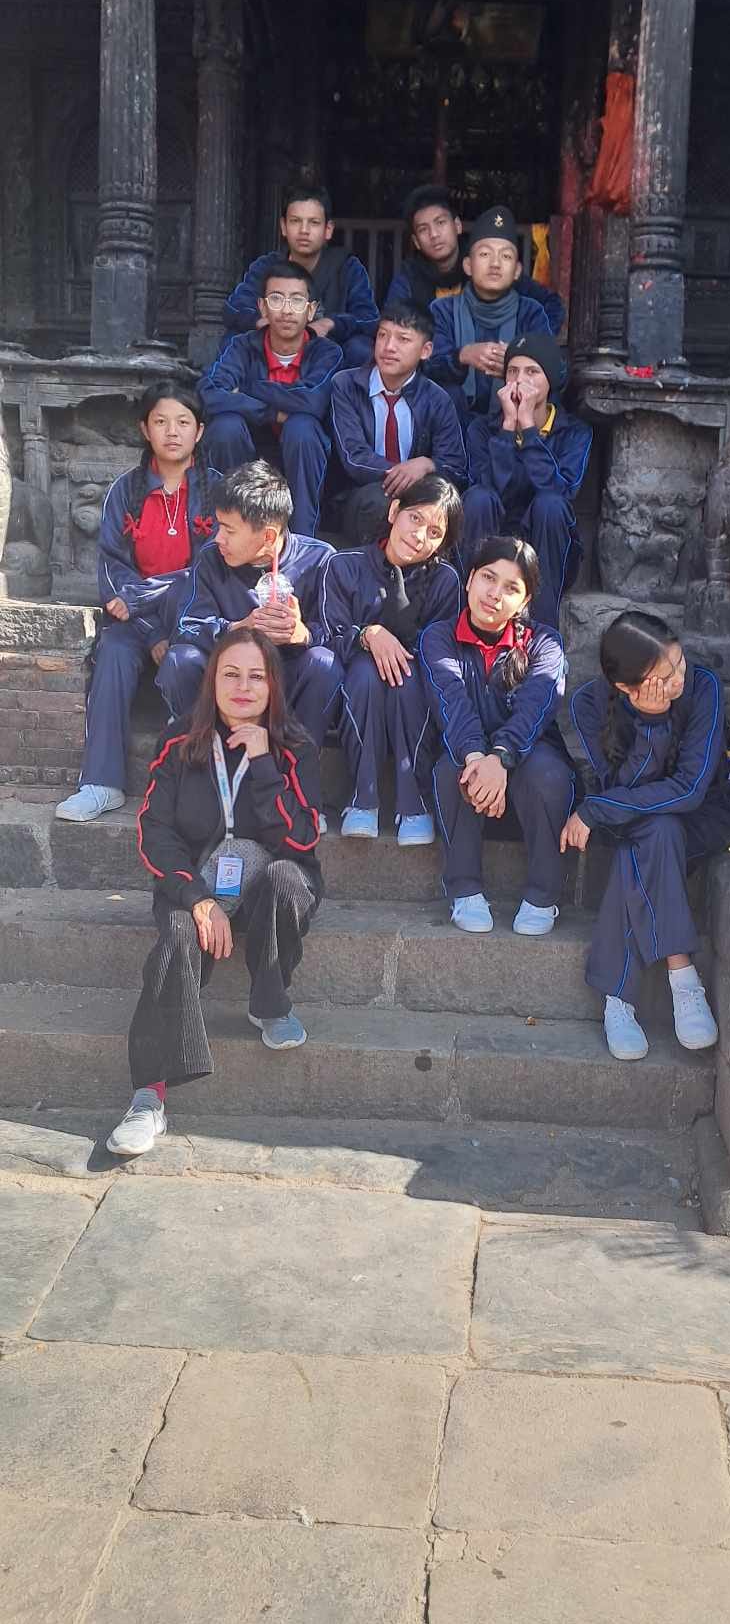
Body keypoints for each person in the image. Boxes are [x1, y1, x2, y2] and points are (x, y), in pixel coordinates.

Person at [106, 629, 323, 1158]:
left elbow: (300, 839)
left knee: (286, 879)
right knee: (177, 940)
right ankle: (148, 1098)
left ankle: (269, 1002)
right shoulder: (180, 742)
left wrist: (266, 764)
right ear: (212, 681)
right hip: (197, 884)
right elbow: (155, 831)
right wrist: (197, 898)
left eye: (256, 676)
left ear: (272, 686)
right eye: (231, 674)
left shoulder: (295, 747)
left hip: (269, 885)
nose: (243, 687)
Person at [563, 611, 730, 1060]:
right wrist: (650, 725)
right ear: (625, 687)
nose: (678, 679)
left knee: (651, 833)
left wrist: (594, 810)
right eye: (663, 678)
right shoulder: (588, 704)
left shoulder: (703, 686)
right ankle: (683, 977)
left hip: (708, 812)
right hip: (636, 820)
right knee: (655, 830)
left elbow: (689, 789)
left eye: (678, 663)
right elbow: (618, 788)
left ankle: (618, 998)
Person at [56, 379, 220, 824]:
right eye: (161, 421)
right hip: (137, 624)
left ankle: (191, 786)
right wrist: (152, 633)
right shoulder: (125, 491)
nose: (172, 431)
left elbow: (211, 573)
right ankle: (101, 783)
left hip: (194, 619)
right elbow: (113, 572)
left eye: (183, 422)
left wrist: (165, 608)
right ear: (145, 429)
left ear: (199, 431)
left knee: (189, 659)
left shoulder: (218, 492)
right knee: (111, 649)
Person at [162, 460, 340, 817]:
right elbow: (186, 625)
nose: (218, 538)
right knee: (180, 660)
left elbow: (338, 632)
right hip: (227, 683)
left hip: (287, 683)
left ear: (268, 537)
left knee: (324, 662)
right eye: (218, 526)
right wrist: (237, 629)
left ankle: (301, 792)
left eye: (229, 529)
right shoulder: (211, 559)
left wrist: (302, 633)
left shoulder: (320, 559)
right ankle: (202, 773)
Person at [419, 535, 573, 935]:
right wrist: (478, 758)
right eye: (488, 578)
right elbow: (451, 703)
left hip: (528, 754)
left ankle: (543, 895)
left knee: (548, 775)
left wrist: (502, 756)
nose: (494, 594)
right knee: (452, 771)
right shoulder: (438, 637)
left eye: (511, 588)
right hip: (467, 752)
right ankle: (465, 889)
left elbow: (537, 706)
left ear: (525, 600)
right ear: (470, 579)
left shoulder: (544, 642)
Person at [321, 476, 463, 844]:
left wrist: (400, 643)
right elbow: (328, 634)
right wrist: (368, 635)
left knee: (406, 678)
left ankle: (413, 802)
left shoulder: (444, 581)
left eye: (435, 533)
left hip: (412, 696)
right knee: (366, 673)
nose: (419, 536)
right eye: (415, 518)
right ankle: (363, 798)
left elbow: (440, 651)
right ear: (394, 511)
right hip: (355, 693)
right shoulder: (344, 565)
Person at [201, 260, 341, 536]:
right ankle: (230, 530)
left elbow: (312, 401)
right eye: (276, 299)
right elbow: (210, 393)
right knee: (225, 426)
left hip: (303, 457)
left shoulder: (327, 352)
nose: (286, 310)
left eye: (297, 300)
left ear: (311, 310)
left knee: (302, 426)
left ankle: (303, 541)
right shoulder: (242, 346)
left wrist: (248, 389)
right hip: (250, 448)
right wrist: (271, 413)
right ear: (263, 308)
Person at [462, 331, 591, 626]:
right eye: (512, 371)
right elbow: (486, 486)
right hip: (494, 538)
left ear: (550, 380)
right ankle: (468, 618)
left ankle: (543, 631)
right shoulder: (482, 429)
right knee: (478, 498)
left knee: (550, 504)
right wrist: (509, 427)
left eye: (532, 372)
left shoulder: (574, 432)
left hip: (548, 545)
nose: (520, 380)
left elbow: (562, 491)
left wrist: (529, 429)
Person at [329, 301, 467, 545]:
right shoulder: (346, 385)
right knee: (379, 500)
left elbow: (456, 467)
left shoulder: (438, 399)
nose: (388, 347)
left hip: (420, 499)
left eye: (403, 339)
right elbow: (354, 456)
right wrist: (404, 476)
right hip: (361, 493)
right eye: (383, 335)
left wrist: (427, 465)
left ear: (425, 350)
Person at [222, 178, 379, 367]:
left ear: (328, 230)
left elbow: (369, 318)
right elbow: (235, 308)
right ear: (283, 226)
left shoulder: (347, 268)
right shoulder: (266, 266)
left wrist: (329, 324)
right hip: (274, 348)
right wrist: (263, 323)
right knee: (233, 338)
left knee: (361, 348)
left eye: (314, 222)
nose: (304, 230)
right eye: (295, 221)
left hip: (327, 353)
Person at [428, 206, 558, 426]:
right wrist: (463, 356)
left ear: (517, 271)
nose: (495, 264)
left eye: (506, 256)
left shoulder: (531, 312)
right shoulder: (443, 310)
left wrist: (516, 365)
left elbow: (553, 373)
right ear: (468, 265)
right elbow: (425, 367)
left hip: (515, 424)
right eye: (485, 254)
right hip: (453, 428)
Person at [386, 182, 565, 334]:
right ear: (416, 242)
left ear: (457, 226)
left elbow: (552, 305)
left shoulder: (483, 263)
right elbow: (392, 323)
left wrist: (528, 347)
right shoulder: (409, 277)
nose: (434, 234)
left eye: (440, 223)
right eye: (423, 229)